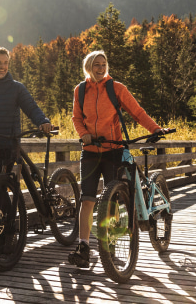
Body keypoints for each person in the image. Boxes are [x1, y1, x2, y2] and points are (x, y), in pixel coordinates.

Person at [68, 50, 164, 268]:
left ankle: (110, 240)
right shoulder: (80, 90)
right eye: (96, 65)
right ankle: (83, 246)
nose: (100, 68)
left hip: (113, 150)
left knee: (111, 197)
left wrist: (155, 128)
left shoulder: (117, 88)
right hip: (91, 150)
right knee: (87, 199)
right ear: (88, 67)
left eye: (103, 64)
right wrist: (83, 134)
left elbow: (137, 112)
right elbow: (76, 117)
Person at [0, 46, 52, 253]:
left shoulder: (16, 88)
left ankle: (9, 234)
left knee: (0, 188)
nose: (3, 67)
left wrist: (43, 121)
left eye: (6, 63)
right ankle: (1, 236)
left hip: (9, 145)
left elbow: (31, 107)